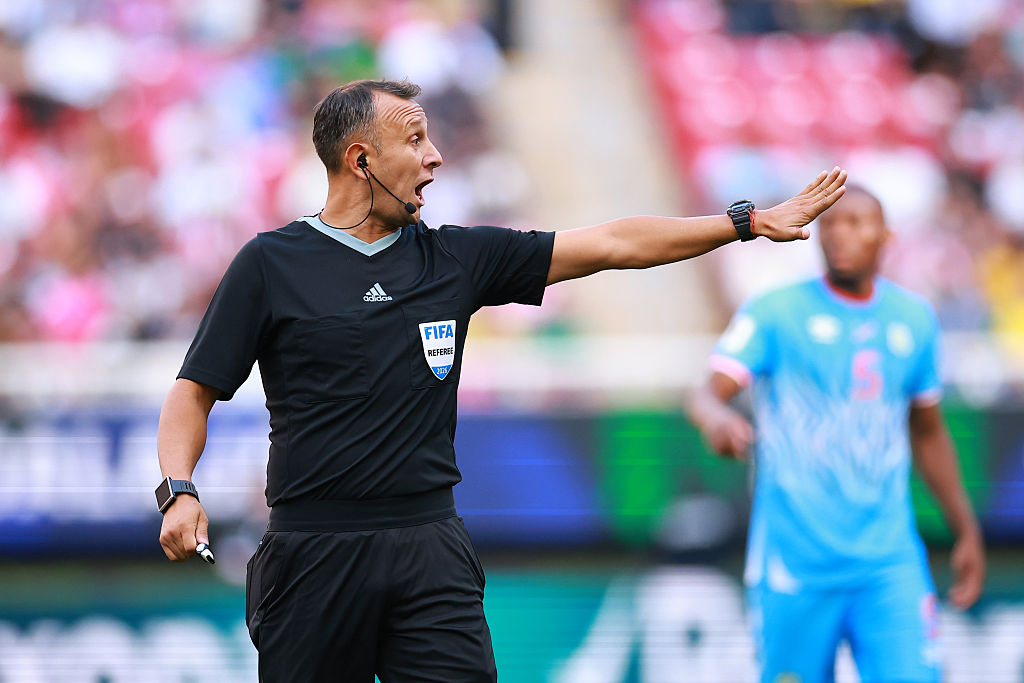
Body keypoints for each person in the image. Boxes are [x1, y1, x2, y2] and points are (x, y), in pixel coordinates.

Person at [155, 78, 848, 682]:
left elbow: (610, 244)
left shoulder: (455, 258)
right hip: (312, 552)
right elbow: (194, 391)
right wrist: (179, 490)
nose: (435, 156)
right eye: (416, 139)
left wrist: (744, 221)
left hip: (429, 546)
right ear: (360, 159)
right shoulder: (271, 265)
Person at [687, 185, 986, 683]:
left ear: (886, 235)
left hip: (887, 565)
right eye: (830, 225)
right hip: (795, 564)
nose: (839, 235)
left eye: (856, 223)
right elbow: (705, 393)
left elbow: (928, 431)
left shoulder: (914, 320)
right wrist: (716, 419)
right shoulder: (775, 312)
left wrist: (965, 529)